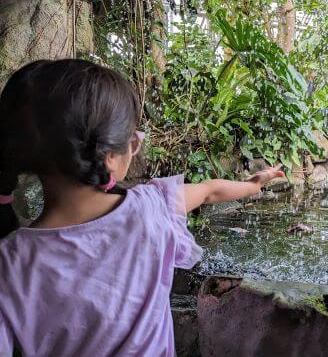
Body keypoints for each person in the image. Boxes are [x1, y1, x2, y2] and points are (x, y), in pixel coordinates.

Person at [0, 59, 285, 356]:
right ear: (109, 154)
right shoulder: (152, 209)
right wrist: (254, 184)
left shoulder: (10, 264)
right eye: (133, 140)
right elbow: (209, 190)